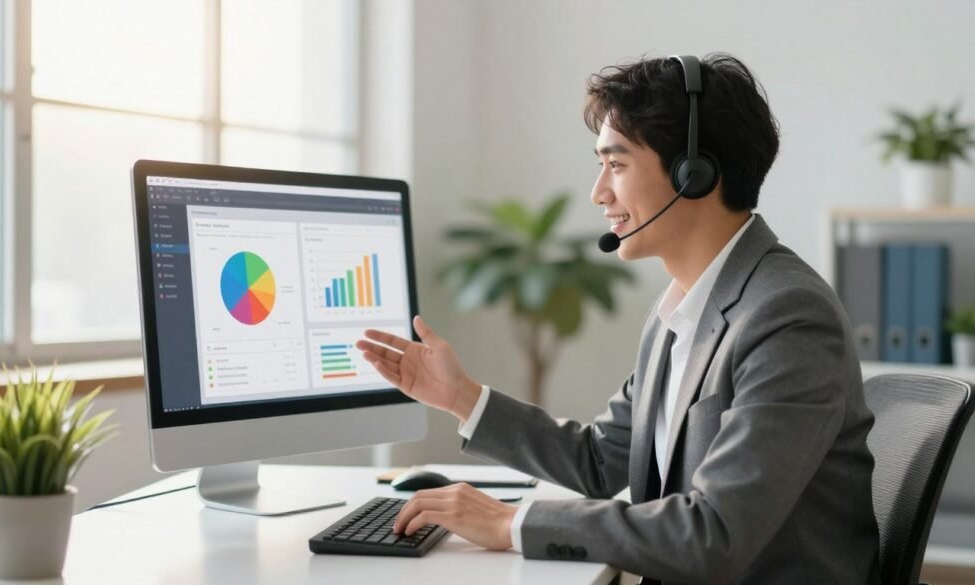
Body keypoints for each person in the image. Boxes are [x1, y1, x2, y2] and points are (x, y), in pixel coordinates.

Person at [356, 53, 881, 584]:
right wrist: (460, 397)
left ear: (693, 176)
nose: (598, 192)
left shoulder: (787, 316)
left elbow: (714, 534)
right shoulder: (681, 308)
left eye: (617, 164)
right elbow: (600, 460)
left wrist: (512, 522)